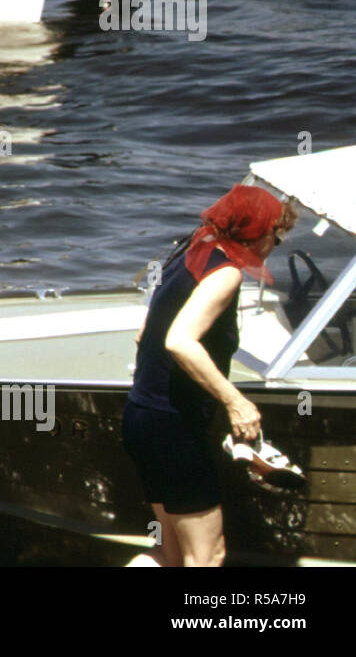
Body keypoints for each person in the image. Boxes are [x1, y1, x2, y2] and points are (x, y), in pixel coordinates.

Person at [122, 184, 297, 567]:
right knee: (207, 556)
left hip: (142, 417)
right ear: (260, 232)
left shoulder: (193, 248)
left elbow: (144, 334)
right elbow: (179, 342)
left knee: (171, 554)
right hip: (172, 429)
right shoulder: (226, 274)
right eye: (277, 238)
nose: (274, 246)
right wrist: (236, 402)